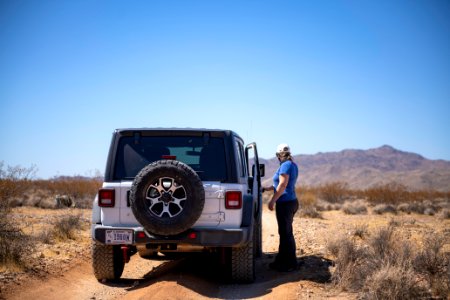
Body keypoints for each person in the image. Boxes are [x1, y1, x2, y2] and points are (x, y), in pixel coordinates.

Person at [263, 143, 299, 272]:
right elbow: (279, 184)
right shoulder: (292, 164)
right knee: (286, 233)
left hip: (285, 202)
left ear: (279, 155)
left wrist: (272, 200)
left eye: (277, 155)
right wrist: (268, 189)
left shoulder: (285, 165)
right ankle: (284, 261)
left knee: (285, 234)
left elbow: (283, 185)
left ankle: (289, 264)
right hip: (292, 201)